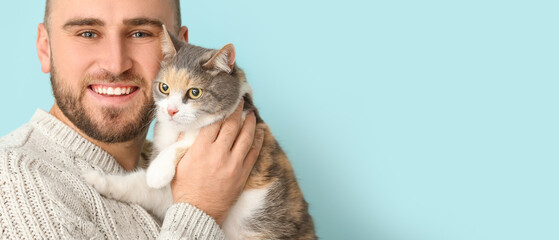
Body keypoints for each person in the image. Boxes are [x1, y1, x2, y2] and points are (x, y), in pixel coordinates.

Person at [0, 0, 264, 239]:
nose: (116, 64)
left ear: (178, 50)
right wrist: (198, 209)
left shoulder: (203, 166)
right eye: (87, 33)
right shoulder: (13, 184)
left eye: (141, 34)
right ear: (45, 49)